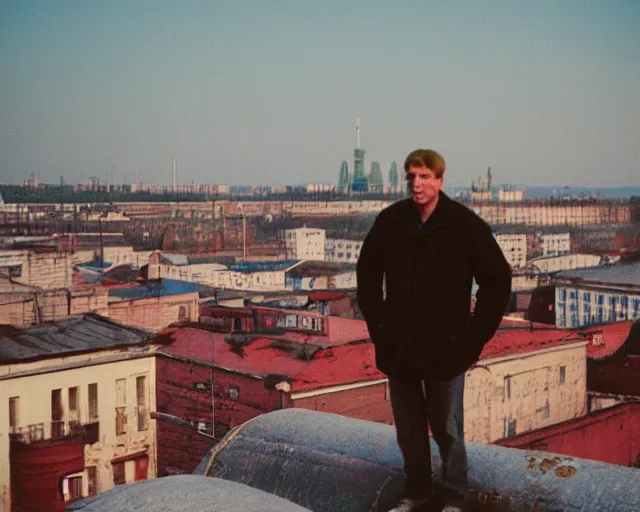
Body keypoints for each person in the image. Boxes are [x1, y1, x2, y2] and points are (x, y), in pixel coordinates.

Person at [356, 149, 512, 512]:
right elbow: (367, 275)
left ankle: (456, 497)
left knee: (447, 430)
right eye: (411, 176)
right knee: (409, 431)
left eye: (424, 176)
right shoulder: (392, 221)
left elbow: (497, 280)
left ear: (440, 180)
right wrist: (379, 326)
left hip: (448, 349)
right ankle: (418, 493)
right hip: (399, 348)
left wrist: (475, 338)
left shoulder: (464, 225)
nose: (416, 183)